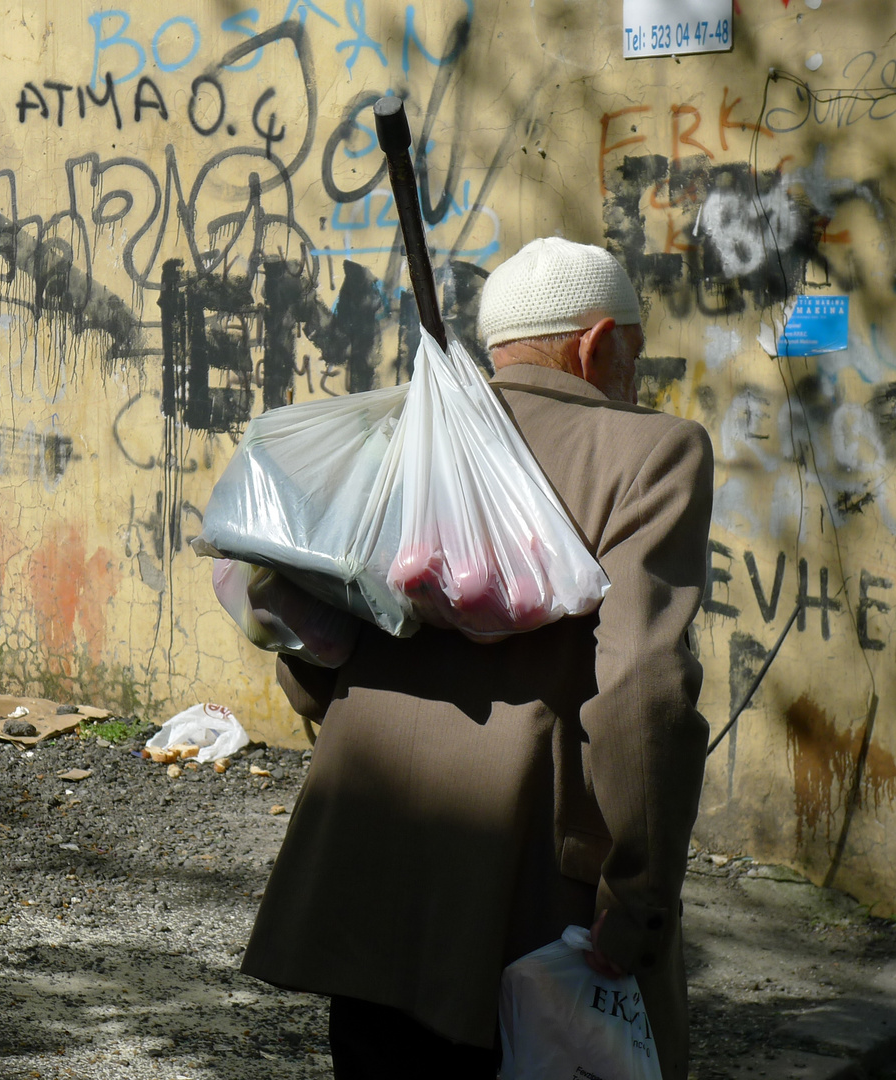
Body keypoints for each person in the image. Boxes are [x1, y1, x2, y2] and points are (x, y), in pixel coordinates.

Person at [240, 236, 713, 1080]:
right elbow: (645, 691)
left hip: (370, 859)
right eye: (634, 357)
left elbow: (311, 659)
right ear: (598, 343)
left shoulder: (402, 437)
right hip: (523, 894)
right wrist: (638, 894)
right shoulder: (650, 452)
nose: (635, 379)